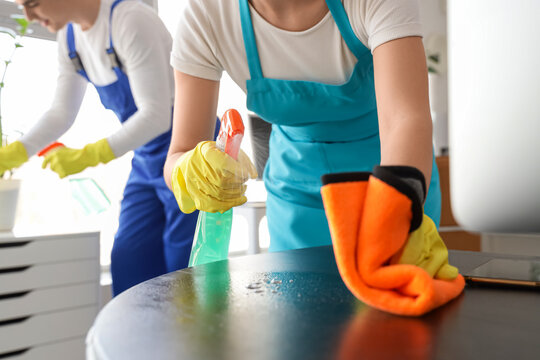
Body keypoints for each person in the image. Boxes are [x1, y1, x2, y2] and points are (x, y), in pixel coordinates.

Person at [165, 0, 442, 253]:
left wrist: (397, 208)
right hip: (295, 194)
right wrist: (190, 170)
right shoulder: (206, 16)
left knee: (393, 300)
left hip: (394, 175)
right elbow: (180, 152)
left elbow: (404, 119)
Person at [1, 0, 210, 296]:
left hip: (188, 150)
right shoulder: (69, 39)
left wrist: (90, 155)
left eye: (32, 4)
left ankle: (194, 341)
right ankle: (137, 342)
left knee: (184, 266)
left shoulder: (131, 21)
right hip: (147, 156)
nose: (29, 16)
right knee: (130, 258)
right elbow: (62, 112)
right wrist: (18, 152)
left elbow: (156, 116)